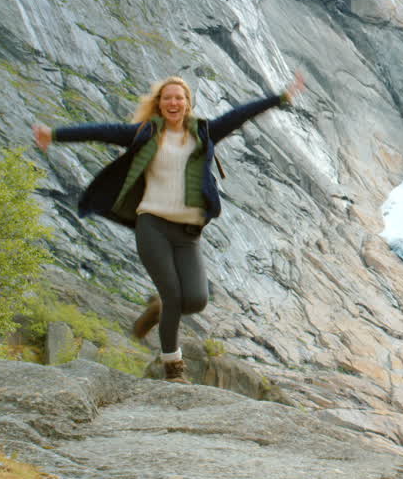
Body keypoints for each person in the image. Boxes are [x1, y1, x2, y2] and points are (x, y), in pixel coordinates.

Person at [33, 72, 305, 383]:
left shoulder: (205, 133)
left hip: (187, 233)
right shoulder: (145, 134)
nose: (173, 102)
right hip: (153, 225)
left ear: (188, 104)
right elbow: (101, 131)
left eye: (179, 97)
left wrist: (282, 97)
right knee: (174, 295)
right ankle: (173, 368)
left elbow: (241, 114)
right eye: (167, 98)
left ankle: (157, 309)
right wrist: (53, 135)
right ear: (160, 104)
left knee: (196, 299)